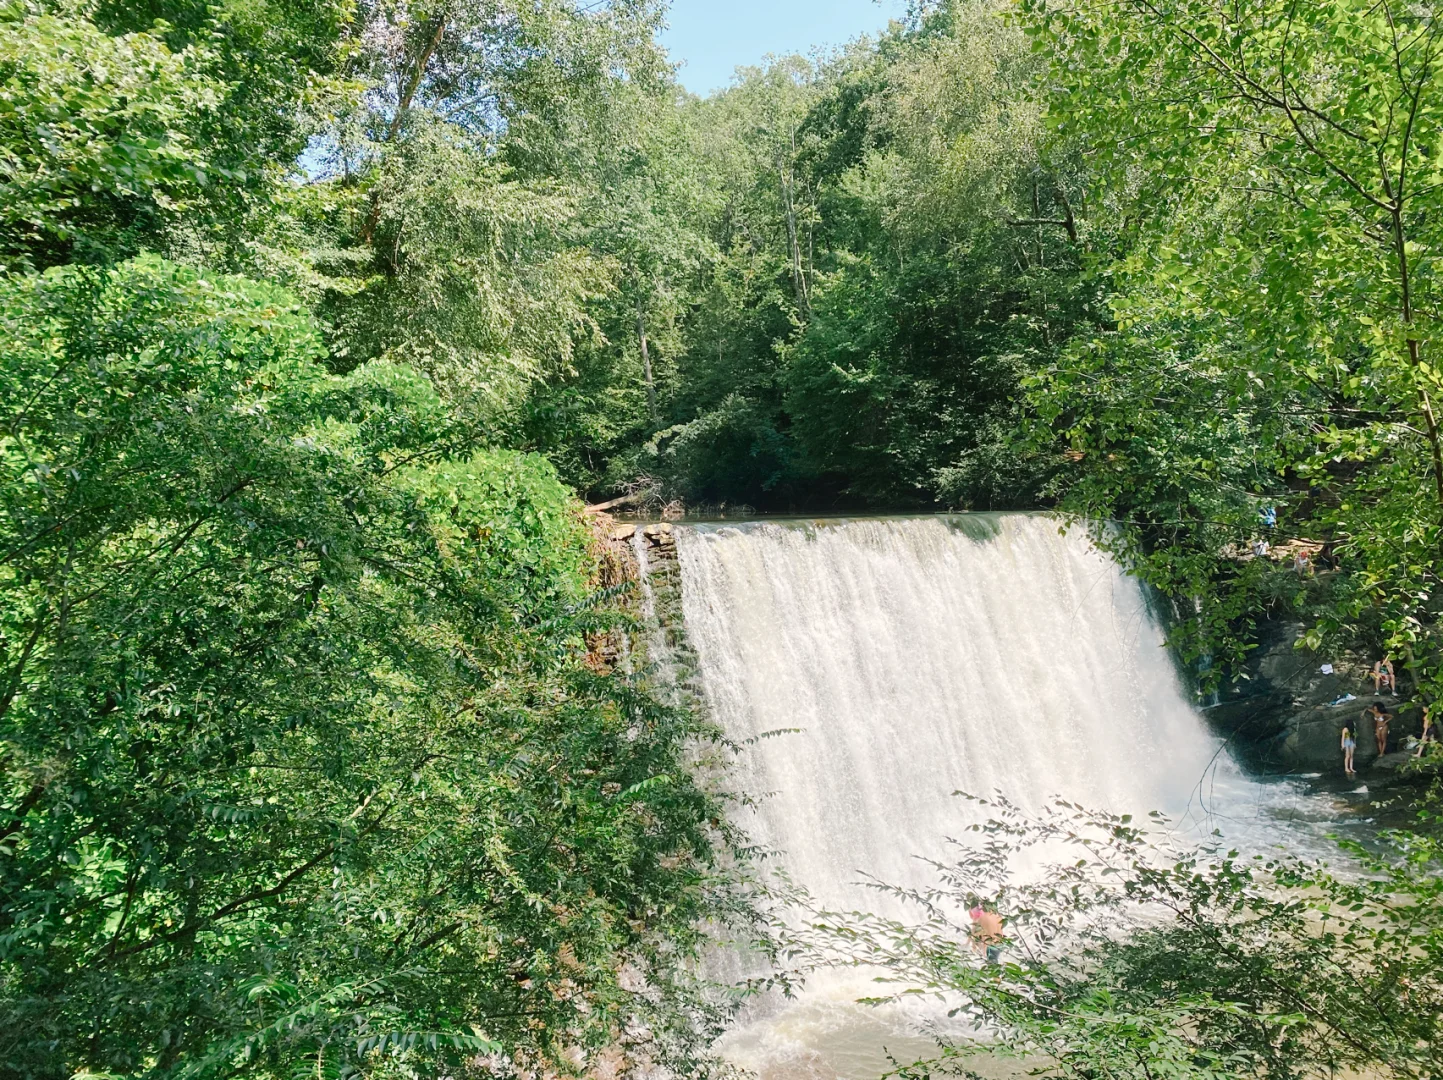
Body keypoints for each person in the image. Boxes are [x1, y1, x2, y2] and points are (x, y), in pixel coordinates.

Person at [968, 897, 1005, 965]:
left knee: (991, 967)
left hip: (990, 947)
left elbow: (973, 935)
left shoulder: (980, 918)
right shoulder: (997, 915)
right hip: (1000, 944)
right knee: (995, 965)